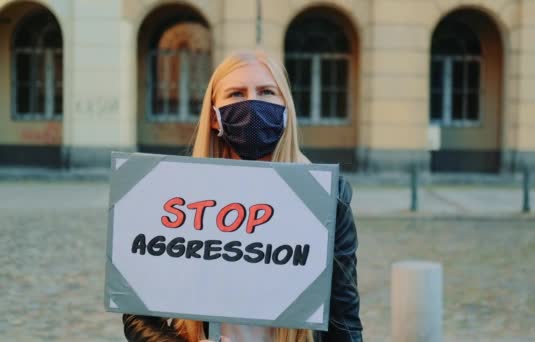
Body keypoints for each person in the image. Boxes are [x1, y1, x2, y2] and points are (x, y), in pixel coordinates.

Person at [122, 50, 362, 342]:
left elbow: (344, 317)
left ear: (286, 108)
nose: (252, 104)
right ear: (214, 117)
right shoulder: (178, 193)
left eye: (266, 92)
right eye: (236, 94)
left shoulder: (326, 196)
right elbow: (137, 313)